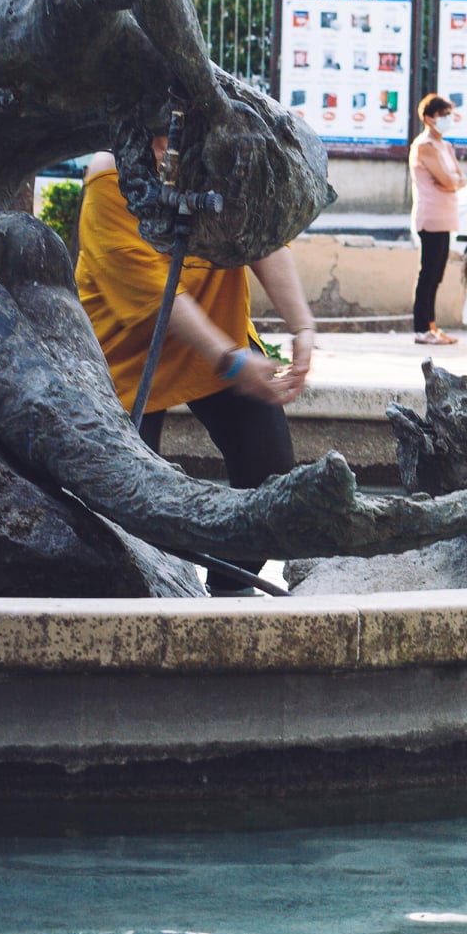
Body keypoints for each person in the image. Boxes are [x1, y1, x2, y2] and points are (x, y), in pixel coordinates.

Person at [74, 135, 319, 593]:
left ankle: (229, 592)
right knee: (122, 500)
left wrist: (302, 327)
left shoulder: (224, 155)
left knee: (269, 474)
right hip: (126, 359)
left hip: (220, 339)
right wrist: (228, 360)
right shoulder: (110, 174)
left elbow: (262, 239)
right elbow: (154, 295)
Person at [409, 93, 464, 345]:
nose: (447, 119)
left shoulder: (446, 146)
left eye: (448, 114)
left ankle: (432, 326)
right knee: (428, 273)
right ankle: (421, 328)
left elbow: (459, 180)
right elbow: (446, 179)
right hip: (430, 216)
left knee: (438, 273)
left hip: (446, 216)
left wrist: (450, 183)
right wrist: (449, 183)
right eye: (442, 115)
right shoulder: (424, 145)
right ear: (429, 118)